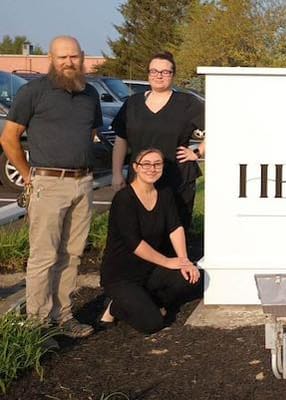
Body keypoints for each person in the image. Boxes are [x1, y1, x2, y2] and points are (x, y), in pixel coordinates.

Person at [0, 36, 100, 338]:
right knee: (44, 257)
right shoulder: (34, 92)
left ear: (82, 57)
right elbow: (8, 138)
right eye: (62, 57)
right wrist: (28, 175)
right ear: (51, 59)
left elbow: (90, 132)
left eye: (73, 56)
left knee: (72, 255)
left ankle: (63, 316)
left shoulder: (90, 94)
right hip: (48, 183)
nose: (69, 62)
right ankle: (37, 324)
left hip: (83, 183)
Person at [99, 148, 201, 334]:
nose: (151, 169)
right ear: (136, 167)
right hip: (121, 274)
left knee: (188, 278)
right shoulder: (124, 199)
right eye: (146, 164)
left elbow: (175, 227)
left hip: (150, 269)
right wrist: (167, 261)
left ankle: (141, 301)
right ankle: (115, 306)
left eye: (157, 164)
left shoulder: (165, 193)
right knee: (152, 323)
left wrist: (184, 260)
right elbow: (134, 243)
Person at [111, 51, 205, 230]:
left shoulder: (187, 103)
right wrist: (116, 173)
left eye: (165, 72)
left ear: (173, 75)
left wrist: (198, 151)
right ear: (148, 74)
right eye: (154, 71)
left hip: (177, 178)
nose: (159, 76)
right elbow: (121, 140)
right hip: (140, 178)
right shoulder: (132, 103)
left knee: (175, 230)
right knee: (139, 229)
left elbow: (218, 127)